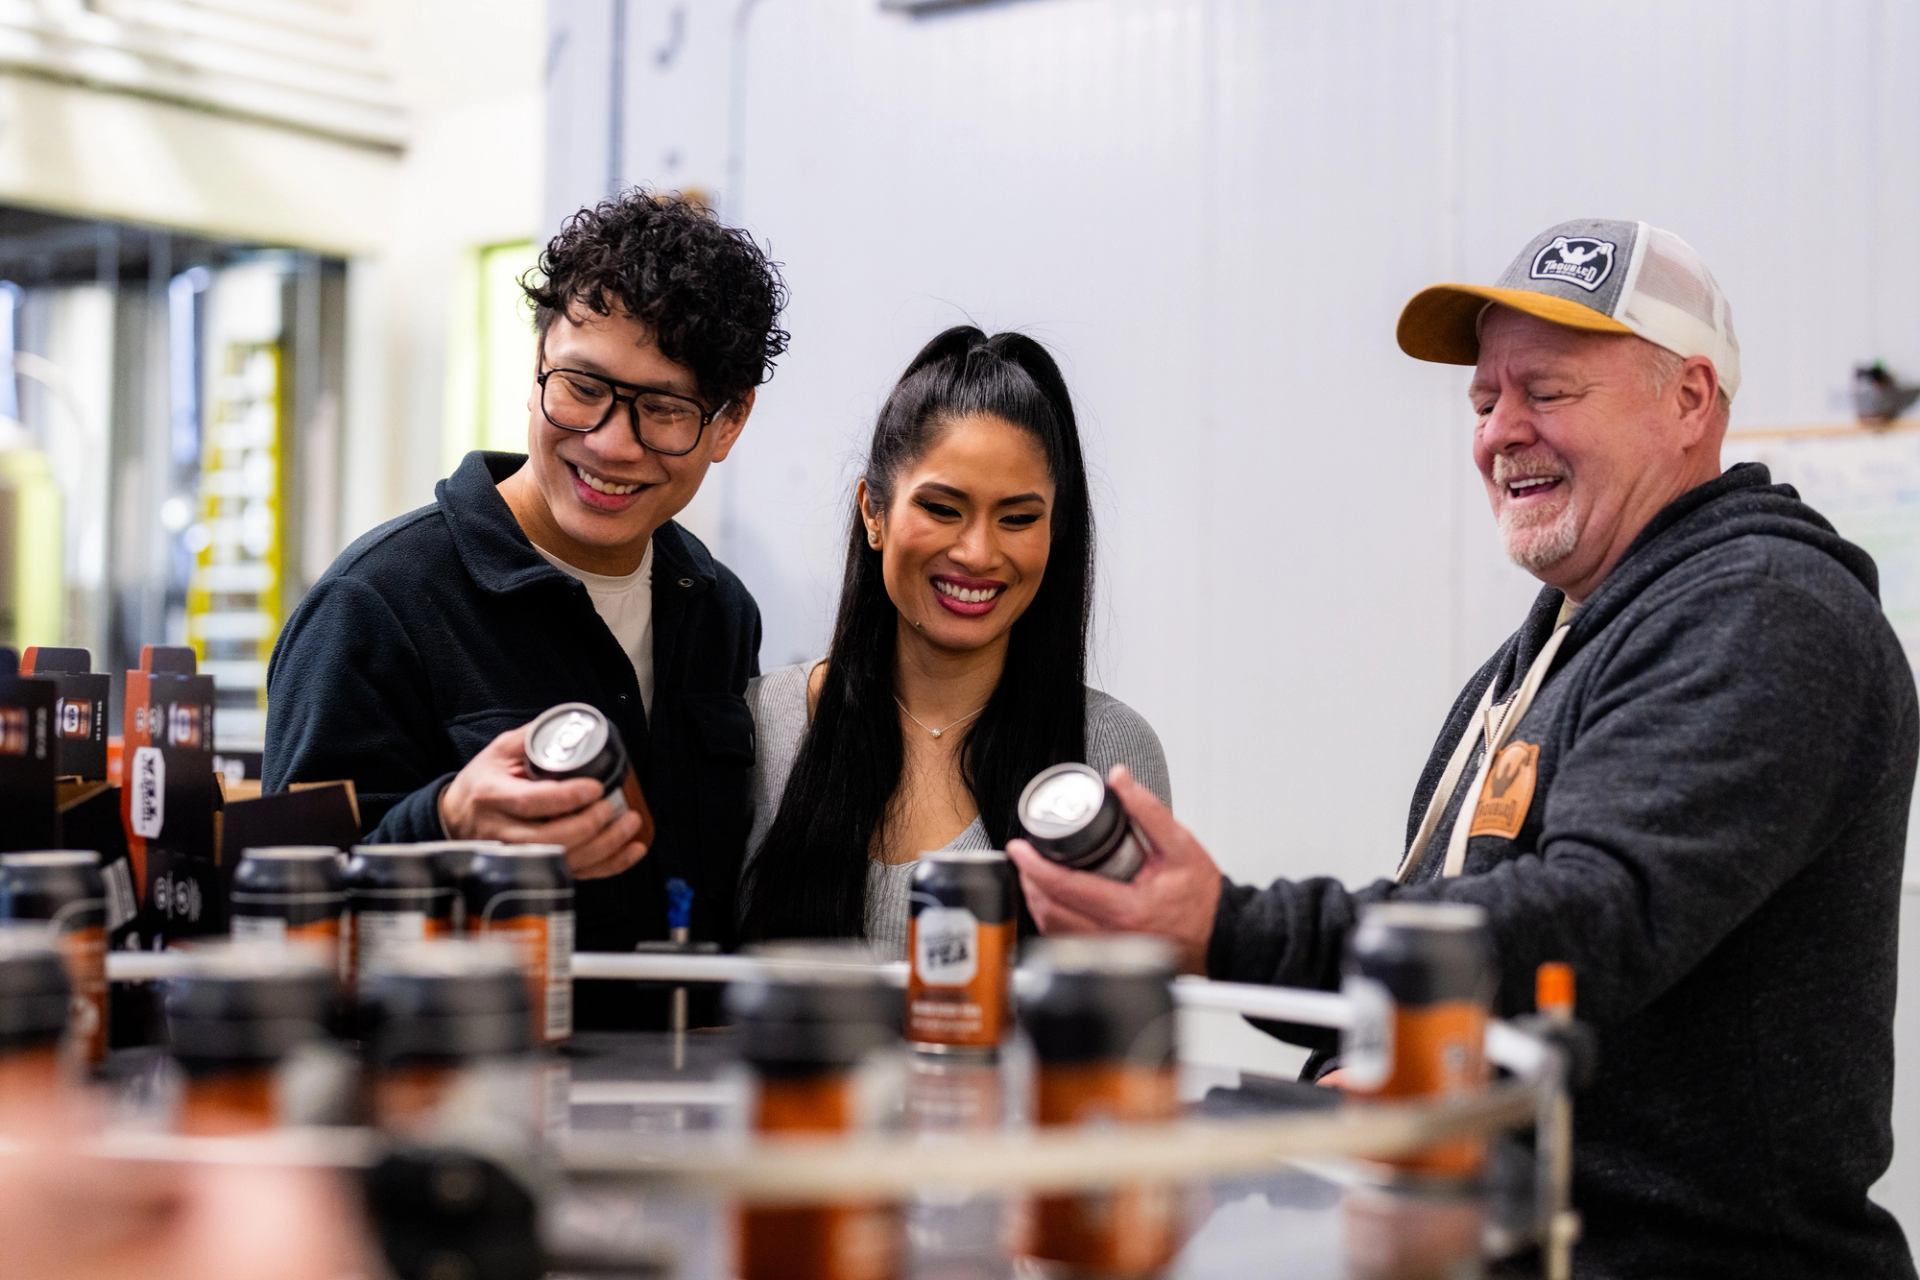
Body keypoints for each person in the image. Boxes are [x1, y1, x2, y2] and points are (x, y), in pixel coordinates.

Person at [1006, 220, 1917, 1277]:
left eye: (1550, 390)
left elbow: (1594, 915)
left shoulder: (1766, 611)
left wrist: (1230, 928)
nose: (1500, 432)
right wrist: (1354, 1072)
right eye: (1485, 400)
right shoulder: (1539, 657)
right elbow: (1478, 943)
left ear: (1690, 399)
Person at [264, 190, 788, 1027]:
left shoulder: (719, 610)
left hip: (681, 1106)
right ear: (540, 357)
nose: (612, 443)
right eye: (581, 387)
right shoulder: (375, 605)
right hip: (458, 1113)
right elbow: (278, 921)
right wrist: (444, 821)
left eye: (664, 410)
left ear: (729, 423)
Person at [739, 326, 1169, 953]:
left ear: (1055, 533)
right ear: (874, 513)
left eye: (1018, 519)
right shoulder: (761, 723)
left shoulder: (1111, 753)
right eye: (942, 509)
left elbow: (1132, 1025)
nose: (977, 552)